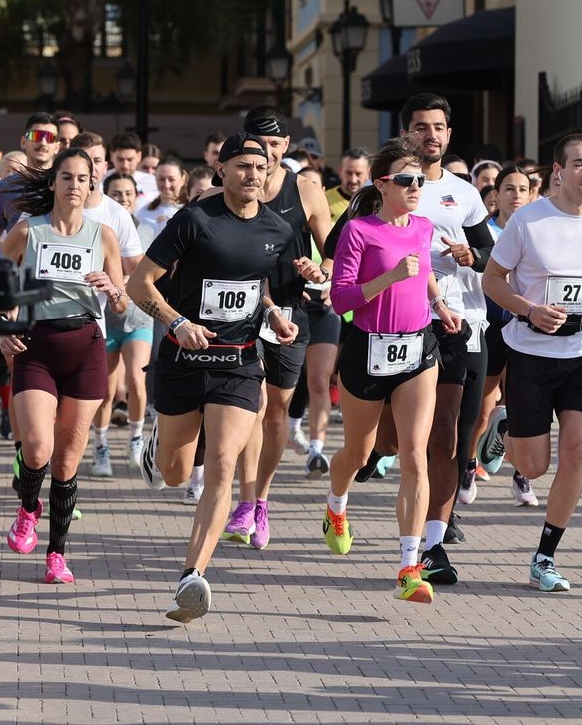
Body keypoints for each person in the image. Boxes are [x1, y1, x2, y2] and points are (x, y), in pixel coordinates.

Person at [127, 133, 305, 622]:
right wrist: (177, 322)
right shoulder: (194, 221)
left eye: (262, 166)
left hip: (240, 362)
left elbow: (258, 286)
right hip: (183, 361)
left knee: (224, 464)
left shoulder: (276, 229)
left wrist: (274, 316)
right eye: (243, 165)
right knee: (175, 473)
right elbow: (138, 282)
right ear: (222, 170)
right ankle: (158, 442)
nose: (253, 173)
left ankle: (192, 576)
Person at [484, 133, 582, 592]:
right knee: (533, 466)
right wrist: (529, 309)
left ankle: (545, 556)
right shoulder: (529, 221)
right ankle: (505, 429)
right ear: (559, 172)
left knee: (578, 451)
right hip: (529, 353)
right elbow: (492, 280)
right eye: (580, 164)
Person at [325, 138, 462, 603]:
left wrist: (439, 303)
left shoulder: (422, 227)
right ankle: (336, 505)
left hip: (418, 349)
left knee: (414, 455)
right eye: (406, 180)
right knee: (358, 455)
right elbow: (341, 298)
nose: (415, 187)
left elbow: (422, 271)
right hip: (367, 349)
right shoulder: (359, 231)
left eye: (420, 180)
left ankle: (409, 566)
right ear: (382, 184)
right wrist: (388, 277)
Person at [0, 147, 128, 584]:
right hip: (36, 346)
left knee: (68, 463)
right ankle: (27, 508)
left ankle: (57, 554)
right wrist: (2, 326)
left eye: (83, 178)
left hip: (86, 347)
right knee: (37, 448)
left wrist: (113, 288)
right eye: (67, 177)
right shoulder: (27, 231)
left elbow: (124, 302)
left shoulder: (103, 235)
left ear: (93, 185)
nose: (75, 185)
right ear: (53, 183)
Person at [391, 95, 495, 586]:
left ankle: (433, 541)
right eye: (420, 127)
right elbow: (344, 244)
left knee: (451, 432)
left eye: (438, 127)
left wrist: (471, 254)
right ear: (406, 132)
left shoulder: (465, 193)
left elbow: (492, 252)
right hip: (405, 322)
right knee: (396, 437)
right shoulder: (391, 185)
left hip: (461, 321)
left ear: (449, 135)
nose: (430, 135)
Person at [230, 107, 335, 547]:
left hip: (291, 314)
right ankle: (243, 499)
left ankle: (262, 501)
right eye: (259, 144)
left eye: (275, 145)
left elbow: (336, 251)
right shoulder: (233, 187)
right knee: (249, 406)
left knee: (276, 414)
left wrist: (322, 271)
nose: (267, 154)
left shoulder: (306, 188)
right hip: (241, 311)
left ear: (286, 147)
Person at [89, 174, 154, 478]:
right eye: (117, 192)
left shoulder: (148, 230)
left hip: (139, 319)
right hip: (106, 320)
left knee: (137, 384)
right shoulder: (96, 228)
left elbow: (153, 273)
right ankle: (100, 446)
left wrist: (125, 282)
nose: (123, 197)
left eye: (129, 192)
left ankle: (136, 438)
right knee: (104, 389)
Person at [472, 166, 532, 494]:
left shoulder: (538, 230)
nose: (517, 195)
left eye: (523, 189)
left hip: (525, 327)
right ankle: (468, 467)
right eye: (510, 188)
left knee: (520, 407)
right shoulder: (484, 231)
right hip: (490, 325)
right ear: (497, 194)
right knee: (481, 410)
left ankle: (521, 477)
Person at [0, 113, 61, 241]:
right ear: (23, 142)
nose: (43, 142)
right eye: (36, 135)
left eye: (50, 137)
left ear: (57, 146)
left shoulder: (67, 184)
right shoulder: (5, 187)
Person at [139, 157, 185, 237]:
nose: (166, 185)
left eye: (171, 179)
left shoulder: (190, 210)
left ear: (182, 179)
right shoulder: (144, 212)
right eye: (161, 179)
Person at [109, 131, 158, 200]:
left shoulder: (153, 183)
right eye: (120, 159)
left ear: (139, 156)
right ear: (112, 156)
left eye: (130, 159)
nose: (125, 165)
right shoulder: (100, 182)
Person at [327, 147, 369, 221]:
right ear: (340, 171)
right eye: (349, 173)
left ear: (368, 173)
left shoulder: (377, 202)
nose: (353, 180)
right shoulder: (325, 200)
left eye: (358, 174)